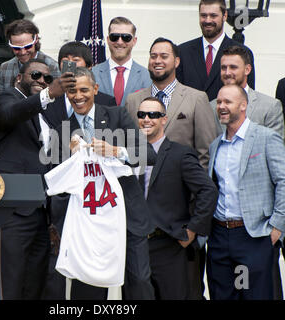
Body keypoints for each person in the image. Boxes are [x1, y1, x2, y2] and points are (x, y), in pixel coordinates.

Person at [48, 67, 157, 300]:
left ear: (96, 89)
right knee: (88, 286)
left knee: (138, 280)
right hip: (88, 224)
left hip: (127, 216)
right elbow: (54, 181)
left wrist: (116, 151)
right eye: (72, 91)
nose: (78, 96)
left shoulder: (117, 115)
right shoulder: (61, 131)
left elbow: (149, 154)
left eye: (84, 90)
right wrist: (72, 158)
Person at [0, 58, 76, 299]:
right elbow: (9, 114)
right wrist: (49, 93)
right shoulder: (5, 99)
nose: (41, 81)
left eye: (47, 78)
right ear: (19, 78)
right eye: (35, 75)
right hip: (14, 212)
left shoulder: (46, 114)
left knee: (35, 284)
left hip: (41, 212)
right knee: (12, 282)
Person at [207, 84, 285, 300]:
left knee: (257, 295)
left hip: (255, 236)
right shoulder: (216, 145)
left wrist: (277, 227)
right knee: (222, 295)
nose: (221, 106)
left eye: (227, 102)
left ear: (243, 106)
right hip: (220, 237)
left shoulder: (266, 137)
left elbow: (283, 181)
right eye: (219, 102)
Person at [137, 96, 218, 299]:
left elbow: (208, 191)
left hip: (169, 245)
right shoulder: (129, 154)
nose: (147, 119)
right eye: (142, 114)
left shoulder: (181, 154)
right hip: (135, 247)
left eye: (153, 114)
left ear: (164, 119)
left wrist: (192, 231)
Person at [125, 37, 218, 169]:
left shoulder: (197, 99)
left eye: (164, 56)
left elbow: (206, 152)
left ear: (176, 61)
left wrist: (194, 186)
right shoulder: (133, 100)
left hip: (181, 184)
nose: (157, 61)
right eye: (153, 56)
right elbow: (128, 146)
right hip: (142, 184)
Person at [176, 0, 255, 102]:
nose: (208, 20)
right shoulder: (182, 52)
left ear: (224, 16)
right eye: (203, 16)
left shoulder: (243, 52)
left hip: (226, 116)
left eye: (213, 16)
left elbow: (249, 95)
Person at [210, 46, 284, 139]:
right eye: (223, 68)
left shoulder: (269, 106)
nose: (227, 72)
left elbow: (275, 149)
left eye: (233, 67)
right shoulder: (211, 107)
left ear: (247, 69)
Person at [41, 41, 116, 130]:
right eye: (65, 61)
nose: (69, 65)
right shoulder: (48, 101)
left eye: (75, 60)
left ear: (89, 66)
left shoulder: (107, 102)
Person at [92, 17, 151, 106]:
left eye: (126, 37)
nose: (119, 42)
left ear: (134, 41)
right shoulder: (93, 73)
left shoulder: (147, 76)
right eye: (114, 37)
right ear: (108, 40)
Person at [0, 19, 60, 96]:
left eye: (28, 47)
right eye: (17, 48)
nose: (23, 52)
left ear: (36, 39)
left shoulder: (53, 67)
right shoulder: (5, 68)